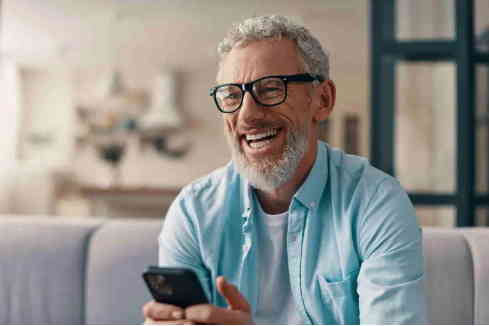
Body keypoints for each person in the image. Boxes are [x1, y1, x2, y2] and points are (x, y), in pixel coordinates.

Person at [143, 15, 427, 324]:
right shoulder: (193, 212)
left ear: (323, 99)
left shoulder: (376, 203)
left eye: (270, 89)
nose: (247, 115)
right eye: (232, 96)